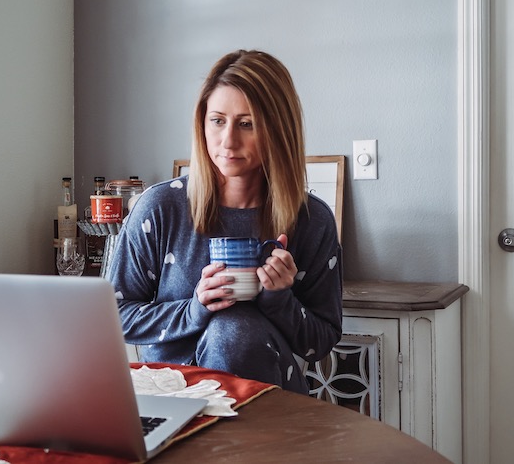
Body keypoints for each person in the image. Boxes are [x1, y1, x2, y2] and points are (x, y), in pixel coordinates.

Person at [107, 49, 342, 394]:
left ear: (278, 129)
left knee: (235, 333)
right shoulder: (161, 208)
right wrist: (193, 309)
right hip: (176, 399)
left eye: (247, 124)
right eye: (217, 121)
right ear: (202, 123)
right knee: (230, 330)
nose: (228, 141)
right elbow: (113, 316)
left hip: (267, 407)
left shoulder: (311, 220)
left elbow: (320, 344)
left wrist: (280, 299)